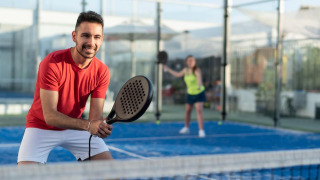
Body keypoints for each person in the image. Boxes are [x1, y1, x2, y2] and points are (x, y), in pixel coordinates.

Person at [17, 11, 113, 165]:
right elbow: (51, 117)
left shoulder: (102, 71)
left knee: (112, 174)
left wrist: (99, 127)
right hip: (40, 127)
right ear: (74, 36)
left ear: (101, 39)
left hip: (77, 127)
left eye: (96, 37)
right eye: (86, 35)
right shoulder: (52, 63)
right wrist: (89, 125)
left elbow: (95, 118)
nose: (91, 42)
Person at [163, 55, 206, 138]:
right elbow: (177, 74)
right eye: (190, 60)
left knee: (199, 110)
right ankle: (186, 128)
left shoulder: (196, 70)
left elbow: (199, 78)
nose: (191, 62)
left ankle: (201, 130)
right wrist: (168, 69)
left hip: (199, 92)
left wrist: (199, 85)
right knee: (188, 111)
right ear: (186, 62)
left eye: (193, 60)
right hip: (190, 93)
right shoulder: (185, 70)